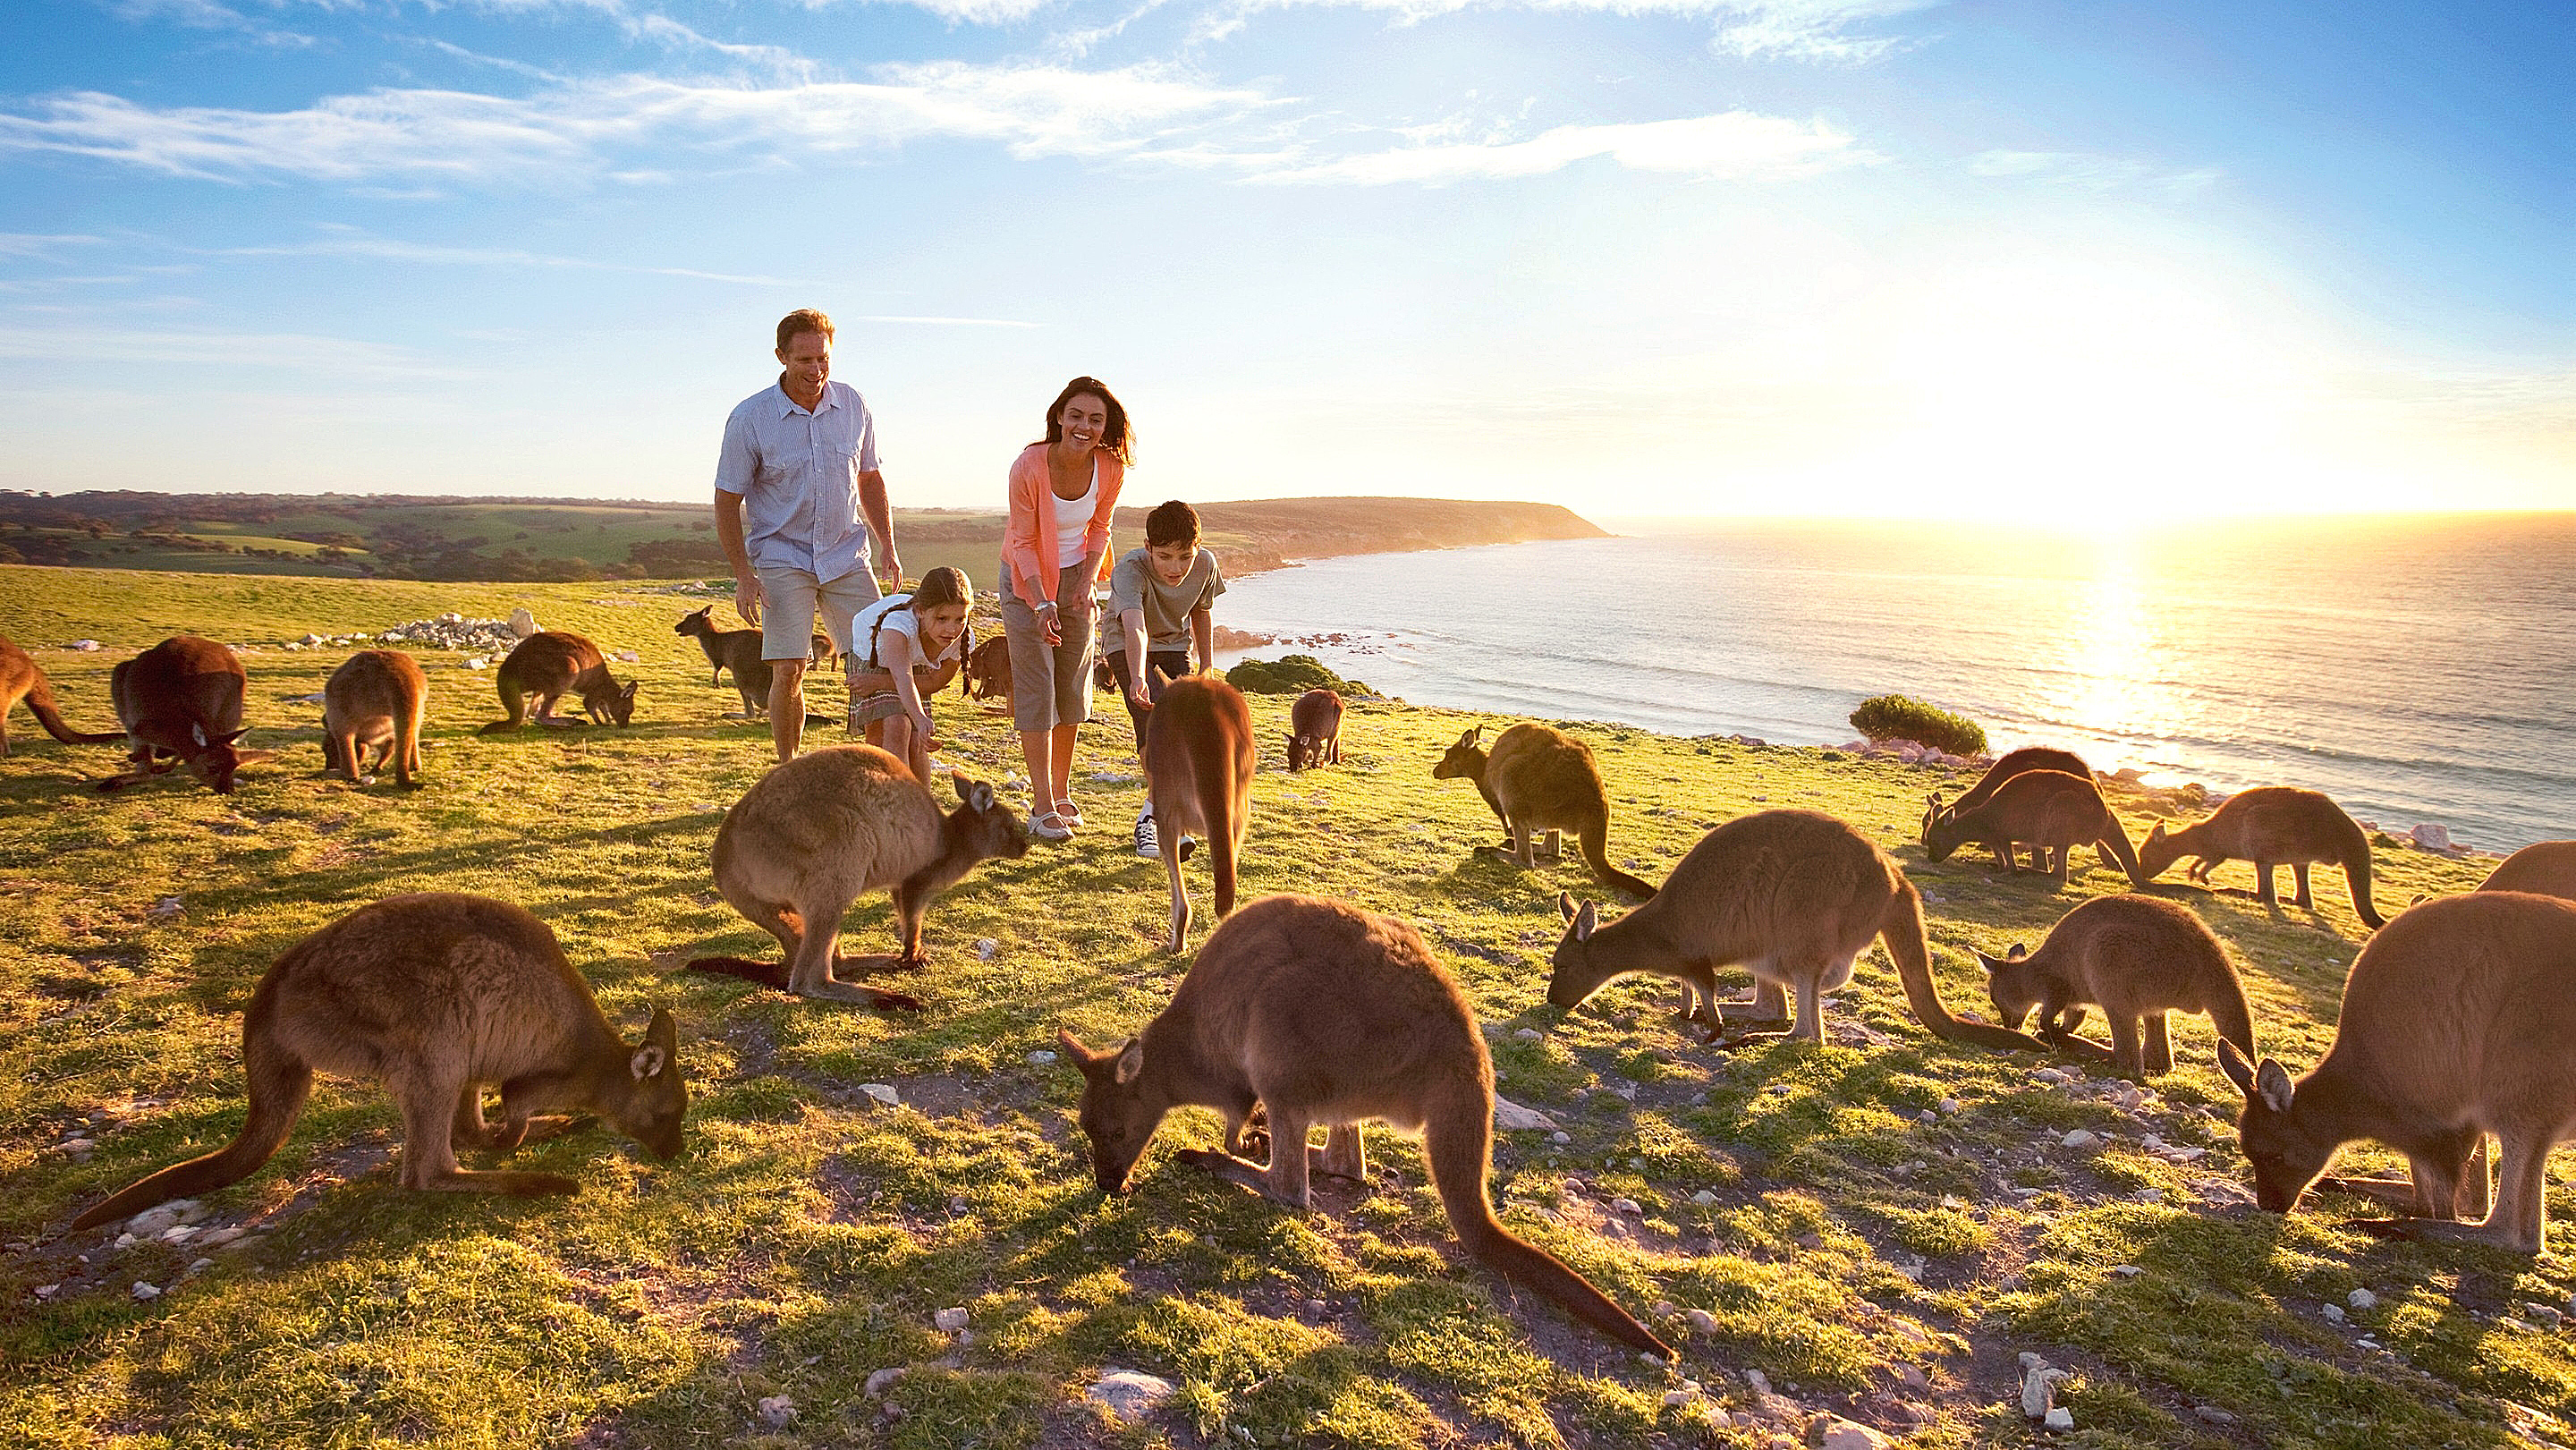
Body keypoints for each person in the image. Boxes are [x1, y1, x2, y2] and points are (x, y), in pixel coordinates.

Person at [714, 308, 902, 764]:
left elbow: (871, 480)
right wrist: (743, 575)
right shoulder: (750, 418)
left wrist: (889, 549)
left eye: (824, 359)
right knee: (790, 668)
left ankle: (870, 764)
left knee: (878, 660)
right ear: (781, 356)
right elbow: (726, 500)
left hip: (846, 554)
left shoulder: (854, 405)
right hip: (782, 556)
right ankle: (789, 769)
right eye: (804, 360)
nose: (816, 370)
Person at [998, 377, 1128, 842]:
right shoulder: (1029, 466)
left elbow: (1100, 527)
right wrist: (1041, 601)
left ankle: (1062, 787)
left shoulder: (1110, 468)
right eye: (1076, 416)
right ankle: (1040, 804)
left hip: (1078, 578)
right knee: (1038, 684)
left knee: (1072, 683)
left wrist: (1089, 582)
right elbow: (1024, 540)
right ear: (1058, 417)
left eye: (1095, 420)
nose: (1085, 427)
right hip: (1025, 580)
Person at [1101, 498, 1225, 857]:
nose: (1176, 568)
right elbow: (1135, 628)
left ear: (1197, 549)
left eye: (1185, 557)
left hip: (1175, 643)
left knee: (1186, 733)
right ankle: (1154, 823)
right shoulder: (1128, 571)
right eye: (1165, 556)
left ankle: (1158, 815)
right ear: (1148, 548)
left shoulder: (1206, 565)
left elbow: (1202, 612)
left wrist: (1207, 666)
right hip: (1125, 642)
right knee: (1155, 727)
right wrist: (1137, 676)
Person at [844, 566, 973, 783]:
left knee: (917, 739)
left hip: (912, 661)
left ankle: (923, 807)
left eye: (959, 619)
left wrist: (876, 683)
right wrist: (920, 717)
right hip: (874, 654)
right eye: (942, 619)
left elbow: (935, 681)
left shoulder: (962, 638)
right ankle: (895, 802)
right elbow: (902, 677)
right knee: (896, 725)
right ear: (921, 610)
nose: (951, 629)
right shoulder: (899, 624)